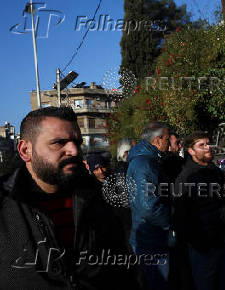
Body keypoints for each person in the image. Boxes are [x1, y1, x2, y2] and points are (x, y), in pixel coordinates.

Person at [0, 107, 137, 289]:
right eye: (59, 143)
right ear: (25, 150)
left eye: (77, 142)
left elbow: (125, 267)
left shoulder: (98, 198)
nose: (73, 150)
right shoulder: (6, 206)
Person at [174, 131, 225, 290]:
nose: (208, 148)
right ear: (190, 151)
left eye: (208, 143)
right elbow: (180, 218)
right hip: (203, 248)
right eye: (202, 145)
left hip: (223, 242)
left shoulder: (216, 172)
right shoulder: (185, 179)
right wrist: (198, 243)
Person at [127, 121, 171, 290]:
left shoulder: (150, 161)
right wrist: (169, 222)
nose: (168, 143)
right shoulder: (144, 164)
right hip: (151, 240)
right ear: (157, 140)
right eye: (167, 139)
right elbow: (148, 207)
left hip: (152, 237)